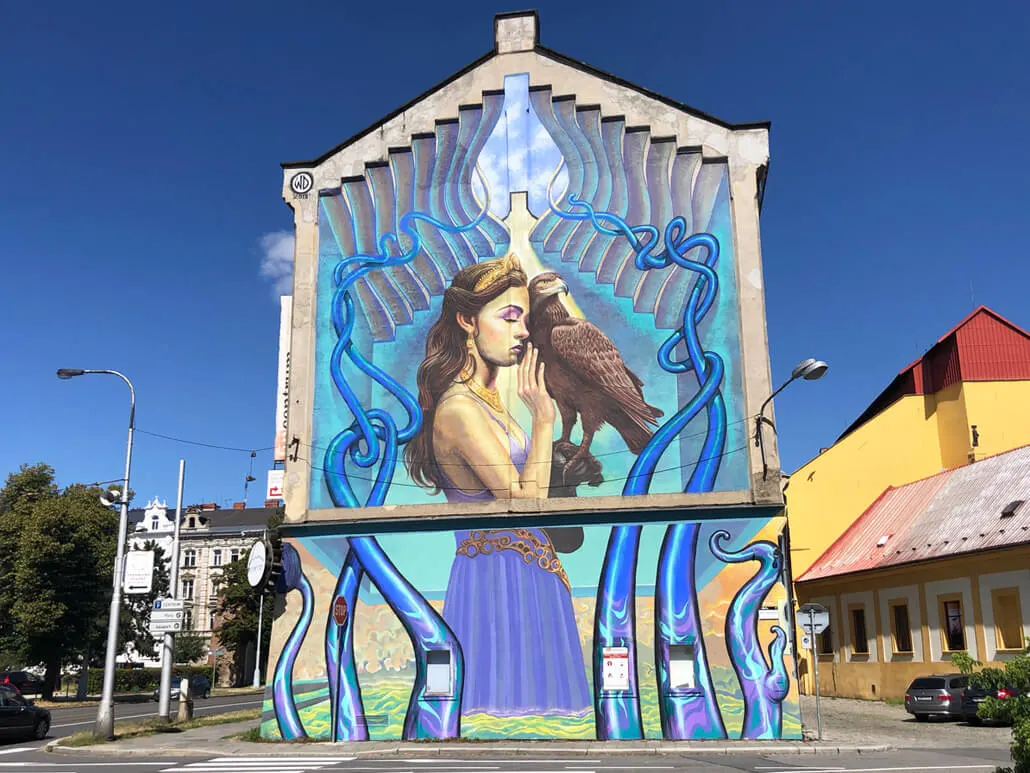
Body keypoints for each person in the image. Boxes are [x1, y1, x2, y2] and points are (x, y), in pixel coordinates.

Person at [404, 253, 591, 718]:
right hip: (497, 582)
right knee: (510, 712)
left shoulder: (491, 404)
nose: (523, 332)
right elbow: (523, 504)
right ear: (468, 321)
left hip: (529, 574)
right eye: (509, 317)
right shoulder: (460, 410)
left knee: (548, 718)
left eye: (524, 319)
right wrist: (545, 421)